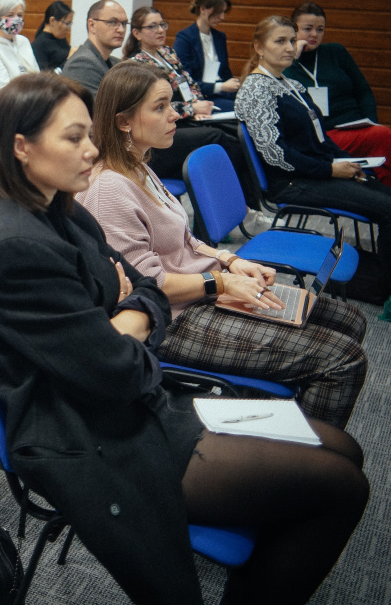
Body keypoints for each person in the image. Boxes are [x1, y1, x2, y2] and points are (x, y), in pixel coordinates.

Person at [0, 71, 369, 605]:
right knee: (341, 487)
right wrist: (133, 318)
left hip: (119, 401)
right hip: (86, 436)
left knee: (344, 450)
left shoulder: (61, 209)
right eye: (73, 137)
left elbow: (146, 286)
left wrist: (130, 316)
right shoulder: (13, 244)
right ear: (21, 147)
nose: (91, 149)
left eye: (89, 135)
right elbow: (123, 366)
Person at [77, 61, 367, 427]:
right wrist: (225, 283)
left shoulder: (140, 165)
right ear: (124, 122)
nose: (174, 116)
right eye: (160, 107)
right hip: (172, 319)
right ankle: (297, 469)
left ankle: (261, 424)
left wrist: (229, 261)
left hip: (204, 291)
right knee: (342, 357)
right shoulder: (110, 188)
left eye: (171, 104)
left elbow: (184, 240)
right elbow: (149, 287)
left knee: (350, 319)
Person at [235, 16, 391, 285]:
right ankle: (383, 288)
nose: (289, 47)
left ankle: (381, 275)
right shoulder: (256, 88)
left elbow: (320, 139)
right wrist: (331, 169)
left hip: (314, 172)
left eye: (292, 40)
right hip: (292, 183)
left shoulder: (290, 84)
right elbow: (277, 155)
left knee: (380, 188)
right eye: (280, 41)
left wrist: (350, 164)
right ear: (259, 47)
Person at [122, 6, 250, 193]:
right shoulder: (138, 64)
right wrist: (192, 109)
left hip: (188, 118)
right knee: (219, 139)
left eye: (162, 25)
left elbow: (190, 83)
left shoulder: (168, 53)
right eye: (152, 26)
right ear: (137, 33)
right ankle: (236, 204)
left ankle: (245, 202)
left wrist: (200, 106)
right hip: (166, 125)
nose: (160, 30)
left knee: (236, 131)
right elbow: (153, 107)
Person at [285, 1, 391, 187]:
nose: (314, 35)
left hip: (358, 127)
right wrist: (293, 54)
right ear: (294, 30)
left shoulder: (336, 52)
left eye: (320, 29)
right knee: (383, 136)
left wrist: (371, 122)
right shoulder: (286, 62)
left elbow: (363, 91)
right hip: (324, 135)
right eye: (308, 29)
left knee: (381, 160)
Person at [173, 0, 241, 112]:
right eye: (218, 12)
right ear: (203, 9)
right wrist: (222, 87)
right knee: (241, 109)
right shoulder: (184, 38)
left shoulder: (220, 37)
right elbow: (185, 80)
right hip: (201, 97)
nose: (222, 17)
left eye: (224, 12)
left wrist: (234, 84)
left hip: (222, 94)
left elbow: (225, 73)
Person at [60, 0, 126, 99]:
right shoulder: (82, 63)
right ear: (92, 25)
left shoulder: (115, 63)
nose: (121, 30)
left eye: (124, 23)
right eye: (112, 22)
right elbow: (99, 111)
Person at [32, 0, 73, 72]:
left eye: (70, 24)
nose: (68, 28)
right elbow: (46, 79)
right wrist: (69, 60)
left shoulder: (60, 38)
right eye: (67, 23)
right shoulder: (39, 45)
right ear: (52, 21)